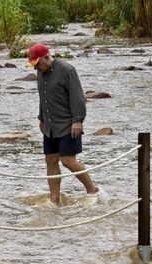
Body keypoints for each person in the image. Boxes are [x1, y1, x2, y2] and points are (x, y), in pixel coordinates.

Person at [28, 43, 99, 205]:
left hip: (68, 124)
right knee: (50, 159)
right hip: (50, 126)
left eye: (38, 64)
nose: (36, 68)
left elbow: (78, 97)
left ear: (47, 57)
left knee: (68, 160)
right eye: (34, 65)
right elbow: (43, 97)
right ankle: (54, 199)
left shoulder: (67, 70)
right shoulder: (40, 72)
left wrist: (77, 120)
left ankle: (92, 189)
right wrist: (41, 118)